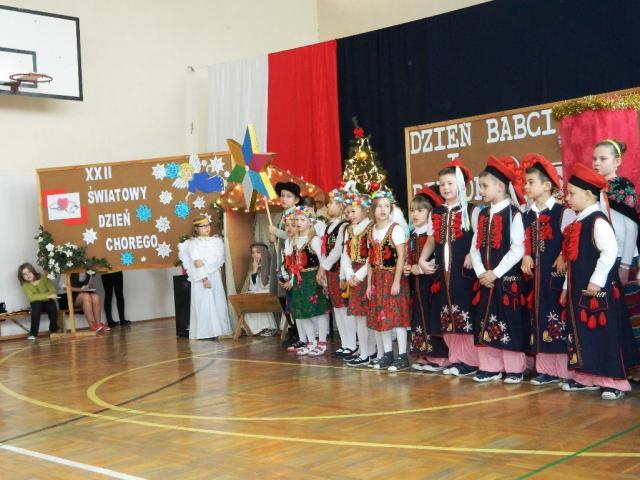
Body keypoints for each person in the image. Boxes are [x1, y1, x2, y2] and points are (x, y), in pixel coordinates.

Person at [560, 164, 640, 399]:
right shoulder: (578, 222)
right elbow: (571, 259)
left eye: (571, 193)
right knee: (584, 334)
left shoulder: (598, 221)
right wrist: (566, 287)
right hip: (579, 291)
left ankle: (615, 382)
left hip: (599, 292)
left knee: (605, 335)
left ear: (588, 195)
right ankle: (588, 377)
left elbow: (610, 251)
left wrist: (596, 281)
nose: (567, 198)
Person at [419, 159, 479, 376]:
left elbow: (479, 237)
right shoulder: (436, 212)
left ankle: (470, 361)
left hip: (464, 272)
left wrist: (472, 253)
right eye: (442, 184)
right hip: (443, 273)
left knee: (465, 313)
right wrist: (422, 259)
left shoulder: (472, 210)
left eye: (450, 183)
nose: (445, 188)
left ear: (461, 185)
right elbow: (431, 240)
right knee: (447, 315)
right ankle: (456, 359)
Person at [470, 156, 527, 384]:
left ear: (500, 187)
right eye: (480, 186)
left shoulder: (514, 214)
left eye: (484, 186)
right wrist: (481, 272)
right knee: (486, 320)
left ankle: (514, 368)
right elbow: (475, 247)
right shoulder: (483, 214)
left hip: (505, 279)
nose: (481, 191)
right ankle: (490, 367)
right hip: (486, 279)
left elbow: (518, 248)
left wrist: (496, 272)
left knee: (508, 321)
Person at [520, 154, 575, 385]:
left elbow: (572, 239)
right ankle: (544, 369)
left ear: (547, 185)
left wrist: (563, 254)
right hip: (534, 278)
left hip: (556, 277)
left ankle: (564, 370)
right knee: (539, 318)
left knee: (557, 318)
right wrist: (525, 255)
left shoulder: (563, 212)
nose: (526, 186)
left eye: (531, 182)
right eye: (526, 182)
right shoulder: (526, 214)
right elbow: (521, 241)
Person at [366, 189, 411, 371]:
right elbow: (370, 260)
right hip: (377, 278)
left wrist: (396, 281)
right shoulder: (371, 231)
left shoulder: (395, 229)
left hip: (392, 277)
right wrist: (369, 284)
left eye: (386, 206)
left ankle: (402, 355)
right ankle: (387, 353)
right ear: (373, 210)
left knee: (397, 317)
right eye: (379, 206)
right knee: (381, 317)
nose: (383, 209)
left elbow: (401, 257)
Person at [407, 186, 450, 372]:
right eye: (412, 210)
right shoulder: (413, 234)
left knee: (433, 317)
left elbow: (437, 259)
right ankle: (423, 354)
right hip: (417, 285)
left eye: (420, 210)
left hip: (432, 283)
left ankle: (439, 357)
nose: (415, 214)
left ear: (430, 212)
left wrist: (421, 268)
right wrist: (409, 267)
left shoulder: (432, 234)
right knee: (420, 316)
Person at [284, 206, 331, 356]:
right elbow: (292, 263)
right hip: (300, 280)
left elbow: (323, 261)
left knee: (318, 311)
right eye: (297, 220)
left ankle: (322, 342)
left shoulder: (314, 240)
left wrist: (324, 281)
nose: (298, 222)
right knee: (302, 311)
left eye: (302, 219)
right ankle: (311, 341)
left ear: (310, 222)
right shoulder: (294, 241)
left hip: (313, 279)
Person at [591, 139, 638, 285]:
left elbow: (632, 228)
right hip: (603, 255)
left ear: (617, 162)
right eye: (594, 159)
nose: (596, 163)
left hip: (623, 256)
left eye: (603, 159)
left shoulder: (623, 187)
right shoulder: (593, 188)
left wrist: (625, 264)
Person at [178, 214, 231, 340]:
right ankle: (206, 332)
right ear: (196, 228)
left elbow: (218, 259)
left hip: (215, 276)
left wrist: (205, 262)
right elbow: (197, 262)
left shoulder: (216, 242)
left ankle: (219, 330)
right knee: (204, 303)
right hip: (202, 277)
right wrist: (204, 278)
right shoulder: (193, 244)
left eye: (208, 225)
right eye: (203, 226)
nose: (207, 228)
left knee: (217, 301)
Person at [316, 186, 354, 356]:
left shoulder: (344, 226)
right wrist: (324, 269)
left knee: (345, 308)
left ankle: (352, 344)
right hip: (331, 272)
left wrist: (323, 267)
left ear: (341, 205)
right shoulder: (329, 225)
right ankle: (345, 343)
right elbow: (325, 250)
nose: (327, 206)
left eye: (330, 203)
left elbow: (338, 250)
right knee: (337, 308)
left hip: (341, 272)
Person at [341, 189, 377, 366]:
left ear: (364, 210)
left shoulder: (371, 228)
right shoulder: (349, 230)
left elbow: (372, 255)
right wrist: (348, 273)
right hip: (354, 275)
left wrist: (359, 275)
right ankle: (364, 351)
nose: (350, 215)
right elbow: (346, 254)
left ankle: (370, 351)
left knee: (369, 316)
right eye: (347, 212)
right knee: (359, 317)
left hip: (367, 274)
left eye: (353, 211)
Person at [243, 243, 277, 335]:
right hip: (258, 293)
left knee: (259, 297)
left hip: (270, 292)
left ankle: (268, 327)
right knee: (250, 296)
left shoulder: (271, 264)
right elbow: (252, 287)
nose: (255, 255)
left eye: (258, 252)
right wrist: (254, 271)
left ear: (264, 253)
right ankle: (252, 328)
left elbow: (270, 284)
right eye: (253, 252)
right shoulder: (253, 266)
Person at [18, 263, 59, 339]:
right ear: (22, 277)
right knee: (37, 306)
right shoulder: (24, 284)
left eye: (29, 272)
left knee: (52, 307)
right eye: (24, 274)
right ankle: (33, 334)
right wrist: (47, 295)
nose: (28, 275)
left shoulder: (42, 277)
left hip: (48, 302)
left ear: (33, 271)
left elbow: (53, 291)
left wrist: (39, 296)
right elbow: (31, 297)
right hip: (37, 304)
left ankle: (54, 330)